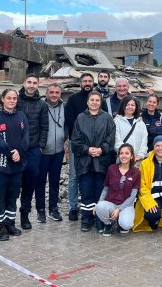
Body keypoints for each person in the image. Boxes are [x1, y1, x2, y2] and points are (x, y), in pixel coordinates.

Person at [0, 88, 30, 241]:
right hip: (0, 165)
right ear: (2, 99)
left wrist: (19, 151)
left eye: (14, 98)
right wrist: (10, 152)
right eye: (9, 98)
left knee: (12, 196)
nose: (12, 101)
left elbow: (26, 137)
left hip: (17, 165)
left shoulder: (21, 116)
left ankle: (10, 223)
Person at [71, 91, 116, 232]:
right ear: (87, 102)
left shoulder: (107, 118)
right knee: (86, 190)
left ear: (100, 102)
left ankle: (99, 218)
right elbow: (75, 141)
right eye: (92, 100)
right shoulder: (80, 118)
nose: (94, 102)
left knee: (100, 191)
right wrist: (87, 149)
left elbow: (111, 138)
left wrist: (102, 149)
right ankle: (86, 218)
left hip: (102, 162)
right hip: (85, 161)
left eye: (97, 100)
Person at [17, 74, 49, 228]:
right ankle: (8, 216)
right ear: (24, 83)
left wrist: (40, 146)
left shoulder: (42, 105)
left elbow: (44, 126)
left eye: (34, 83)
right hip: (16, 149)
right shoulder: (16, 101)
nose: (31, 85)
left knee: (29, 183)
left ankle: (25, 214)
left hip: (33, 149)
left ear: (38, 85)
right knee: (14, 183)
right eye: (29, 82)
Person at [64, 73, 95, 221]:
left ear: (93, 83)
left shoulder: (97, 100)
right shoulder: (73, 99)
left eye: (90, 81)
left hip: (93, 145)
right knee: (74, 176)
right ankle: (72, 207)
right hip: (76, 143)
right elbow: (69, 120)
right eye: (85, 81)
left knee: (89, 175)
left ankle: (87, 206)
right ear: (80, 83)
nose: (87, 83)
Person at [94, 143, 141, 236]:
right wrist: (98, 204)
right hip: (111, 203)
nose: (124, 156)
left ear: (132, 156)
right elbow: (106, 189)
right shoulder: (112, 168)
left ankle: (120, 222)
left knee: (126, 225)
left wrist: (119, 209)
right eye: (121, 153)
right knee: (100, 206)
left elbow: (133, 196)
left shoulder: (136, 172)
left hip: (126, 205)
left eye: (127, 153)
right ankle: (108, 224)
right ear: (118, 155)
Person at [37, 83, 66, 222]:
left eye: (57, 92)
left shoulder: (64, 107)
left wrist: (64, 136)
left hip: (58, 151)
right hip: (43, 152)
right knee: (40, 182)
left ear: (60, 94)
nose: (54, 95)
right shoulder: (40, 106)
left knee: (54, 182)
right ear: (47, 93)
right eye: (51, 92)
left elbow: (67, 125)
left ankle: (53, 209)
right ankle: (40, 210)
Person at [113, 96, 148, 166]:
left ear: (136, 107)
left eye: (132, 105)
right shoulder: (116, 121)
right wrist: (126, 154)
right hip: (122, 160)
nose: (130, 107)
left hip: (137, 161)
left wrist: (140, 155)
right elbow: (116, 141)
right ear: (123, 106)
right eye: (127, 105)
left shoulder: (140, 123)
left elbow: (144, 141)